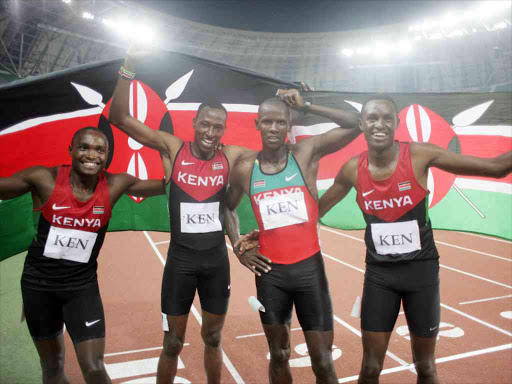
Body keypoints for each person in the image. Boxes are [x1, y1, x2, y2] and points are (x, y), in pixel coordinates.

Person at [317, 95, 512, 384]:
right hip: (379, 276)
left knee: (426, 367)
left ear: (397, 123)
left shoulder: (419, 156)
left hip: (421, 274)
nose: (379, 124)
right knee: (370, 367)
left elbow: (496, 168)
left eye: (386, 118)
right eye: (372, 118)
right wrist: (265, 235)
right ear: (362, 124)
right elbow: (315, 212)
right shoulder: (351, 169)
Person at [109, 46, 265, 384]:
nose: (211, 133)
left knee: (212, 338)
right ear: (194, 123)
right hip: (179, 263)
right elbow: (119, 119)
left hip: (215, 263)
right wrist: (129, 69)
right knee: (173, 342)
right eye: (205, 125)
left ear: (225, 129)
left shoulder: (232, 155)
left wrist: (294, 108)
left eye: (218, 127)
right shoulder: (172, 148)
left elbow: (277, 154)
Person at [0, 127, 165, 384]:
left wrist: (176, 153)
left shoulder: (116, 183)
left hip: (80, 288)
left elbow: (171, 186)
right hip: (38, 287)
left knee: (94, 367)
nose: (92, 155)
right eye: (84, 147)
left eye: (100, 150)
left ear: (108, 155)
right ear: (71, 151)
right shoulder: (44, 178)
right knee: (52, 365)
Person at [225, 90, 360, 384]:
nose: (274, 129)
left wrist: (308, 105)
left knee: (323, 361)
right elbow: (227, 208)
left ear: (289, 125)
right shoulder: (245, 168)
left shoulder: (305, 153)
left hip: (309, 271)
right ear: (256, 124)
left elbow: (356, 123)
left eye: (281, 123)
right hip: (271, 275)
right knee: (279, 354)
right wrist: (238, 247)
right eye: (268, 122)